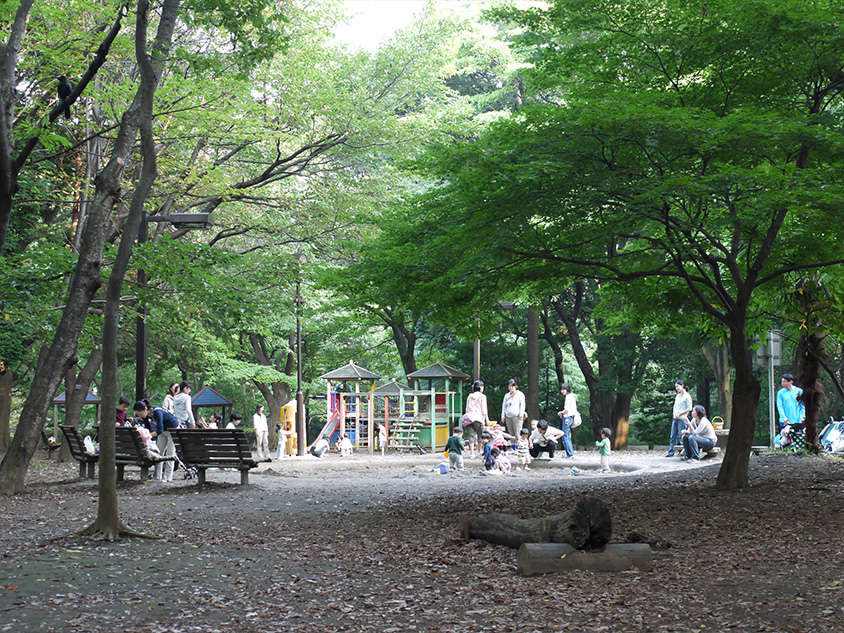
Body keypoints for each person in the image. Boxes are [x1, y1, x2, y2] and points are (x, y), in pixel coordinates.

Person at [148, 402, 180, 482]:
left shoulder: (157, 412)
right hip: (163, 431)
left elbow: (159, 430)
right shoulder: (147, 415)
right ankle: (157, 476)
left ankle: (167, 477)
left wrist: (147, 436)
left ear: (147, 409)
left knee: (170, 453)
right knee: (158, 453)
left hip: (172, 430)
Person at [463, 380, 490, 459]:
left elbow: (467, 408)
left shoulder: (469, 396)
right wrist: (487, 420)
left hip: (469, 418)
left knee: (471, 436)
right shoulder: (482, 396)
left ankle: (472, 453)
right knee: (480, 435)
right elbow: (484, 410)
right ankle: (479, 452)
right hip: (478, 418)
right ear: (481, 387)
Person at [667, 379, 693, 457]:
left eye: (678, 386)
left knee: (681, 436)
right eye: (676, 387)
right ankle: (671, 453)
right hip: (675, 417)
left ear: (682, 386)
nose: (677, 388)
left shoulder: (687, 396)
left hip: (682, 418)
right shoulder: (677, 396)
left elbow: (689, 408)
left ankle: (683, 452)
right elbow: (675, 406)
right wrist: (675, 414)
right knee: (673, 435)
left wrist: (680, 414)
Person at [556, 383, 578, 459]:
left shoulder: (568, 397)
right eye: (561, 389)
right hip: (570, 417)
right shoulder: (571, 396)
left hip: (567, 417)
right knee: (566, 435)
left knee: (565, 435)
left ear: (567, 389)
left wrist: (561, 413)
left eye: (564, 389)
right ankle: (569, 453)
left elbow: (567, 409)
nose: (562, 391)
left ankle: (570, 454)